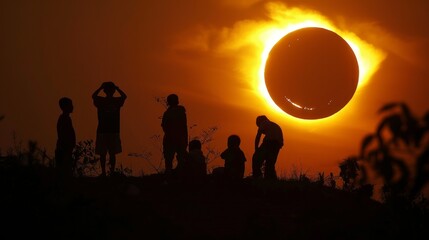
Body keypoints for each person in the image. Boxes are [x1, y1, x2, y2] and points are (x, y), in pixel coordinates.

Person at [92, 82, 127, 177]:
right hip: (110, 130)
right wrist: (117, 88)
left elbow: (94, 96)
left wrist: (100, 87)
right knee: (111, 153)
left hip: (106, 130)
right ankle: (108, 172)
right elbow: (124, 96)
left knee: (105, 153)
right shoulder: (114, 101)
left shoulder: (102, 101)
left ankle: (106, 172)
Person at [161, 94, 188, 175]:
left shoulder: (168, 113)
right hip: (179, 138)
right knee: (180, 158)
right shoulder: (180, 111)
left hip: (172, 138)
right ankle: (179, 173)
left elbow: (164, 126)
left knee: (169, 159)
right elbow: (184, 126)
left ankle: (171, 174)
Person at [253, 115, 283, 179]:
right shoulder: (275, 125)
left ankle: (257, 176)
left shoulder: (263, 123)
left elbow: (258, 137)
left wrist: (256, 149)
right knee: (270, 164)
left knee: (256, 159)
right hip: (277, 145)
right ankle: (270, 179)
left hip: (269, 142)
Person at [55, 97, 76, 181]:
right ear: (65, 107)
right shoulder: (64, 119)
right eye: (70, 105)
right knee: (64, 170)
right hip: (64, 147)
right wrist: (66, 146)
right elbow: (62, 134)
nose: (72, 107)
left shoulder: (66, 118)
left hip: (66, 147)